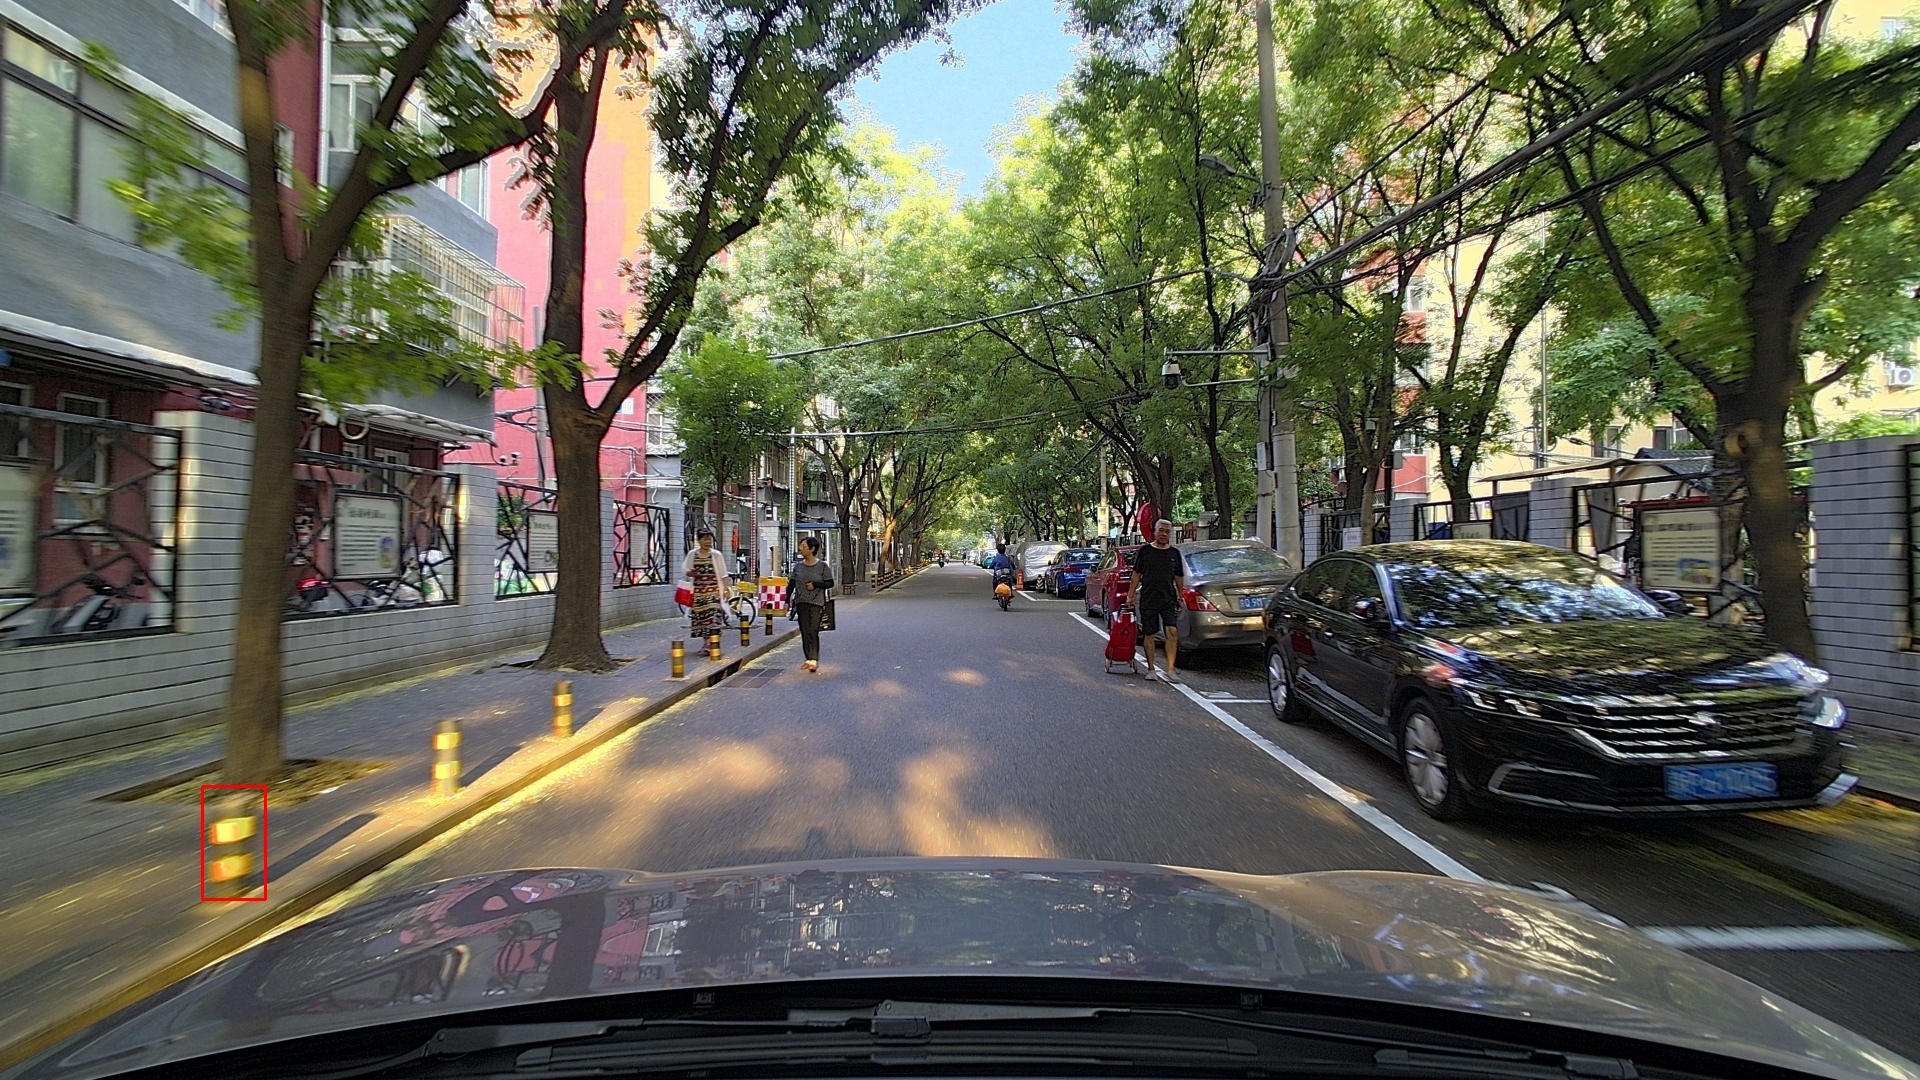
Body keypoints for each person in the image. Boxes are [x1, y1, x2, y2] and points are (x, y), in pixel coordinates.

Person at [1122, 519, 1186, 683]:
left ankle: (1170, 670)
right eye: (1161, 530)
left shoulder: (1174, 553)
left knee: (1172, 631)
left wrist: (1180, 596)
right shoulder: (1145, 551)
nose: (1164, 534)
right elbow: (1136, 574)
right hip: (1148, 598)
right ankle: (1151, 669)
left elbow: (1179, 577)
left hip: (1168, 598)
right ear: (1155, 531)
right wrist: (1130, 596)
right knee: (1150, 634)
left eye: (1167, 531)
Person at [681, 528, 733, 647]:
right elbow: (685, 570)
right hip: (698, 593)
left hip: (714, 591)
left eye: (709, 539)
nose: (708, 542)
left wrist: (726, 589)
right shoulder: (692, 554)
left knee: (714, 617)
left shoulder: (716, 555)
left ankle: (712, 643)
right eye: (705, 539)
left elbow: (723, 574)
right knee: (701, 619)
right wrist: (691, 573)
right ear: (699, 540)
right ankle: (706, 643)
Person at [789, 536, 835, 672]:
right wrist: (786, 601)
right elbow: (791, 585)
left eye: (803, 546)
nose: (800, 549)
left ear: (812, 549)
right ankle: (808, 658)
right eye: (800, 546)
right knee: (804, 631)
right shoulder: (798, 567)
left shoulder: (822, 566)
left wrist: (815, 584)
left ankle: (814, 659)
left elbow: (830, 583)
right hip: (801, 602)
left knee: (813, 630)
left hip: (816, 603)